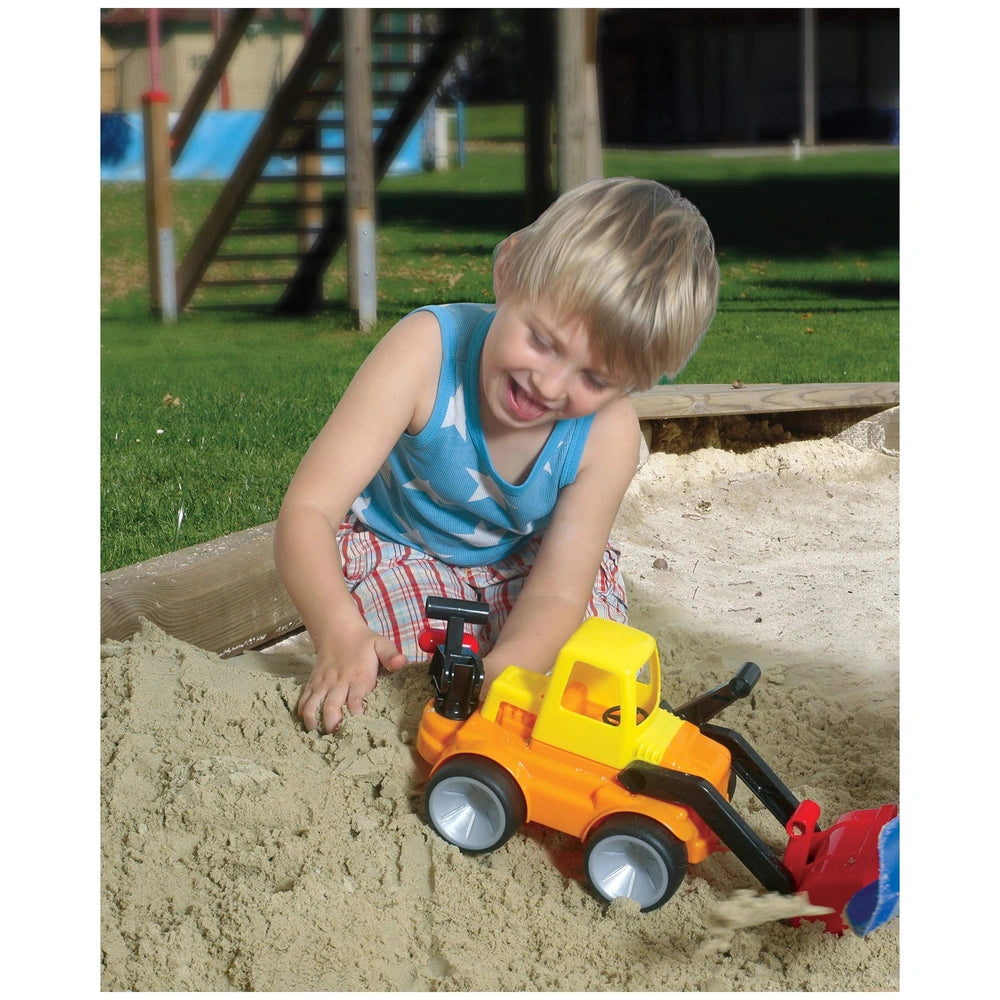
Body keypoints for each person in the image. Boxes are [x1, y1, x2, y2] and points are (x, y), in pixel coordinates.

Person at [274, 176, 719, 734]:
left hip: (525, 564)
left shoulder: (608, 436)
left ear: (633, 384)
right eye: (543, 341)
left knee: (585, 670)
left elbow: (559, 589)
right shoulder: (425, 353)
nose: (551, 385)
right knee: (395, 672)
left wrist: (505, 673)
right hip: (402, 548)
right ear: (508, 272)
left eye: (595, 378)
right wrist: (338, 632)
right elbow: (308, 511)